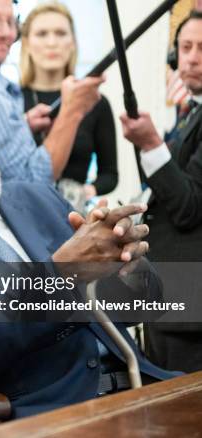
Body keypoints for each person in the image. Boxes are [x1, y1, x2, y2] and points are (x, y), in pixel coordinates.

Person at [0, 101, 178, 433]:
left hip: (140, 382)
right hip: (40, 411)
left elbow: (144, 307)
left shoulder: (36, 198)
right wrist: (57, 275)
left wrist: (126, 262)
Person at [0, 0, 103, 184]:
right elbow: (30, 185)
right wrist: (72, 112)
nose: (6, 33)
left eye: (11, 22)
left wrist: (23, 126)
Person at [120, 10, 202, 373]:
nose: (193, 58)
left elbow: (188, 207)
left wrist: (152, 144)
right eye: (185, 47)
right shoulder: (189, 113)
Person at [20, 2, 117, 209]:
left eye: (61, 33)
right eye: (42, 34)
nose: (52, 42)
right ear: (26, 43)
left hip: (72, 215)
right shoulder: (11, 99)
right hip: (22, 213)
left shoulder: (94, 102)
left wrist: (85, 192)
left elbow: (110, 174)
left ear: (73, 42)